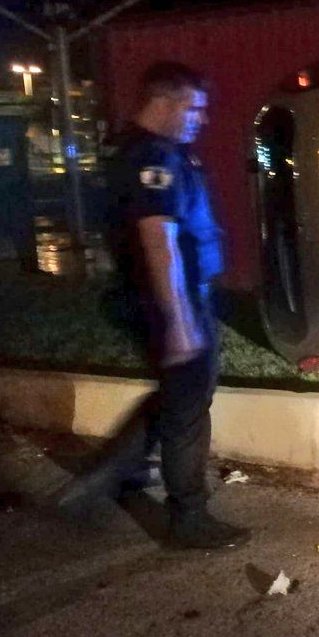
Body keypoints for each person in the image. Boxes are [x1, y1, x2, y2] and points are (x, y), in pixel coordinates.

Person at [56, 62, 249, 551]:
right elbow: (157, 241)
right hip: (169, 301)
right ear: (164, 101)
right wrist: (180, 321)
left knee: (174, 398)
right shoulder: (151, 159)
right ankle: (188, 519)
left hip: (167, 299)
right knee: (187, 409)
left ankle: (107, 478)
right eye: (193, 108)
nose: (199, 119)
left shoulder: (150, 153)